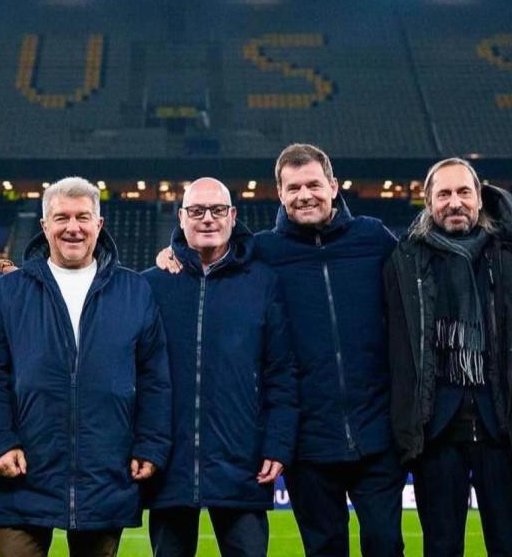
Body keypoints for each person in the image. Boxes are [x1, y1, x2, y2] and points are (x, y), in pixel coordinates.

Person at [160, 144, 405, 556]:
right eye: (294, 187)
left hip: (376, 431)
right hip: (308, 440)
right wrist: (172, 252)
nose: (304, 194)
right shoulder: (264, 252)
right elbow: (211, 243)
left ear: (333, 185)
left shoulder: (373, 238)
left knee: (385, 545)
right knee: (324, 548)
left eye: (313, 184)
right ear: (280, 193)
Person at [0, 176, 171, 557]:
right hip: (23, 471)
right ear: (45, 225)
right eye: (61, 217)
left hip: (105, 472)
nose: (73, 228)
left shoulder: (134, 290)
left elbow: (155, 378)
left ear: (99, 223)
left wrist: (151, 444)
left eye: (83, 217)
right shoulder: (8, 291)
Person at [385, 158, 512, 557]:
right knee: (441, 546)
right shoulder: (404, 260)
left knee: (508, 545)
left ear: (480, 198)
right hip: (435, 427)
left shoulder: (510, 256)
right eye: (444, 194)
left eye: (464, 192)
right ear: (427, 201)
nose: (455, 203)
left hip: (499, 425)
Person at [142, 178, 297, 557]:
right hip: (169, 467)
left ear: (233, 216)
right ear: (181, 218)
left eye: (217, 210)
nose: (207, 219)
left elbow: (281, 373)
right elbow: (137, 375)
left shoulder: (262, 283)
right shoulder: (152, 284)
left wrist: (277, 442)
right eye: (196, 211)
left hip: (241, 464)